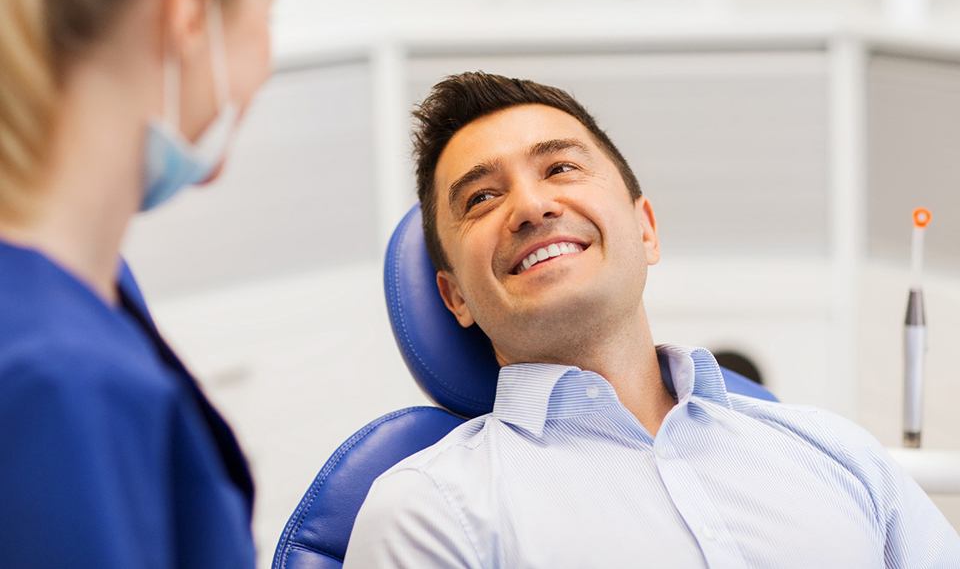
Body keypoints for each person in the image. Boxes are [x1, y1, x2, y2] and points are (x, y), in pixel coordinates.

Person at [344, 72, 960, 567]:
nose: (531, 206)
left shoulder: (834, 451)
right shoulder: (427, 513)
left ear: (645, 229)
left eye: (559, 168)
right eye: (482, 198)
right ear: (454, 297)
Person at [0, 0, 275, 566]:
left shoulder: (89, 299)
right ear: (190, 15)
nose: (267, 56)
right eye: (267, 11)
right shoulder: (58, 381)